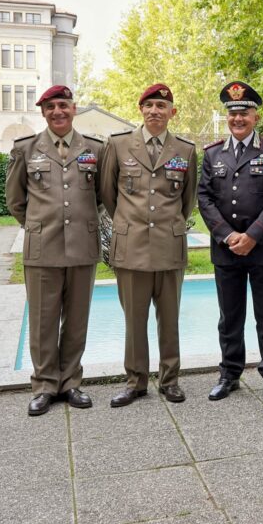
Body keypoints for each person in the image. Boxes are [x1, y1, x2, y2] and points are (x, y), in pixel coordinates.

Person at [6, 85, 104, 415]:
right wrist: (37, 223)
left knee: (77, 320)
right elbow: (15, 200)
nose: (58, 111)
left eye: (63, 105)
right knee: (43, 321)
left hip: (82, 245)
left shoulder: (94, 148)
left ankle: (71, 382)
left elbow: (102, 195)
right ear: (43, 112)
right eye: (51, 107)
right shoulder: (26, 148)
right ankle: (45, 385)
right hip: (42, 247)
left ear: (74, 109)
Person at [101, 83, 198, 407]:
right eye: (150, 105)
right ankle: (135, 381)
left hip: (168, 248)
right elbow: (108, 195)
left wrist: (167, 226)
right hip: (132, 248)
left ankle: (169, 380)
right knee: (134, 320)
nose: (155, 111)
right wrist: (129, 223)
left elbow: (187, 201)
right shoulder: (117, 145)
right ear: (140, 110)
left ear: (172, 112)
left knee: (169, 320)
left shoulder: (185, 150)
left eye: (162, 106)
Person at [197, 81, 263, 401]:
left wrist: (251, 237)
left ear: (255, 116)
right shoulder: (212, 154)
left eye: (244, 112)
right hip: (226, 251)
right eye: (233, 113)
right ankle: (230, 374)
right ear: (227, 116)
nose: (238, 118)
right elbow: (204, 199)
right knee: (230, 317)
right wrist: (228, 235)